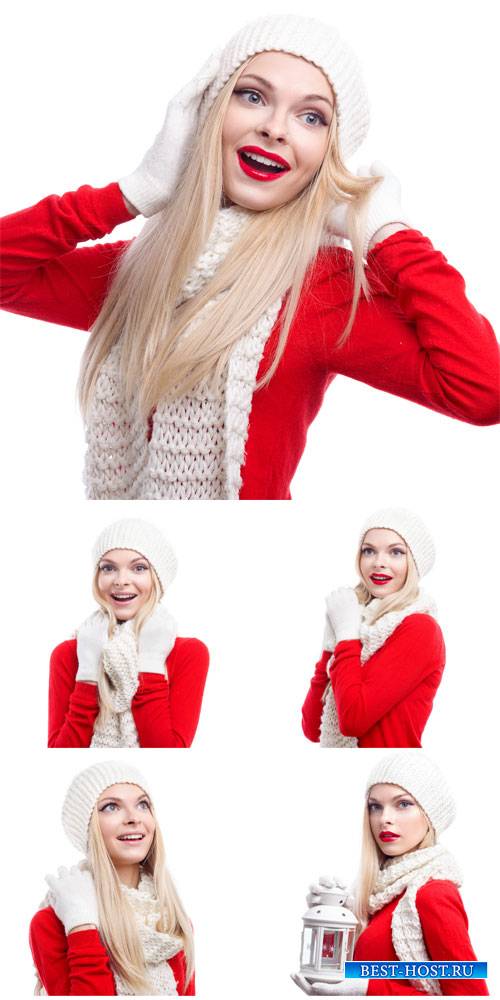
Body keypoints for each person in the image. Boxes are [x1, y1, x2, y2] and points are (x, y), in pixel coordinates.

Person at [1, 15, 497, 500]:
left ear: (328, 152)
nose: (275, 129)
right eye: (253, 96)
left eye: (311, 116)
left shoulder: (324, 287)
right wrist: (135, 192)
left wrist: (387, 234)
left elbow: (483, 391)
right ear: (210, 115)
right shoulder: (144, 270)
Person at [292, 752, 488, 996]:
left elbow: (472, 994)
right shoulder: (375, 898)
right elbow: (361, 971)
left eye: (403, 804)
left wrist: (369, 989)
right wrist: (334, 914)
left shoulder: (433, 894)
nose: (384, 819)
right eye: (375, 807)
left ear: (430, 816)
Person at [30, 760, 195, 996]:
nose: (133, 818)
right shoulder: (52, 923)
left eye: (142, 804)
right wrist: (81, 925)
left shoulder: (174, 922)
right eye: (110, 807)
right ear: (87, 829)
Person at [48, 518, 209, 747]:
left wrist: (151, 660)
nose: (121, 581)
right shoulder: (69, 653)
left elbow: (166, 753)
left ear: (157, 579)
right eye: (108, 568)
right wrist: (87, 672)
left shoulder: (189, 652)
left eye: (139, 568)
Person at [302, 508, 444, 747]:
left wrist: (346, 637)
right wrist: (330, 646)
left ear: (415, 563)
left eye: (396, 552)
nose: (379, 563)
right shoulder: (358, 619)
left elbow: (354, 720)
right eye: (369, 551)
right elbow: (312, 729)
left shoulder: (421, 628)